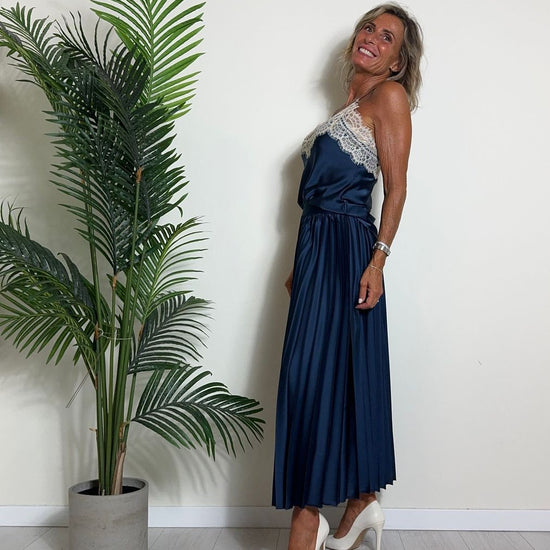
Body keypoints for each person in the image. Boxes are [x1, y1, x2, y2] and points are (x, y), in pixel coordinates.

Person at [272, 3, 424, 550]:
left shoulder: (389, 97)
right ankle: (361, 501)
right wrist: (300, 264)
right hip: (316, 252)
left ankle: (308, 517)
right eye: (368, 28)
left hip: (349, 253)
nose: (372, 38)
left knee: (318, 379)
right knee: (324, 376)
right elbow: (317, 200)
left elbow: (396, 187)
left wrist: (377, 261)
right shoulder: (348, 107)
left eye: (387, 38)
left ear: (397, 62)